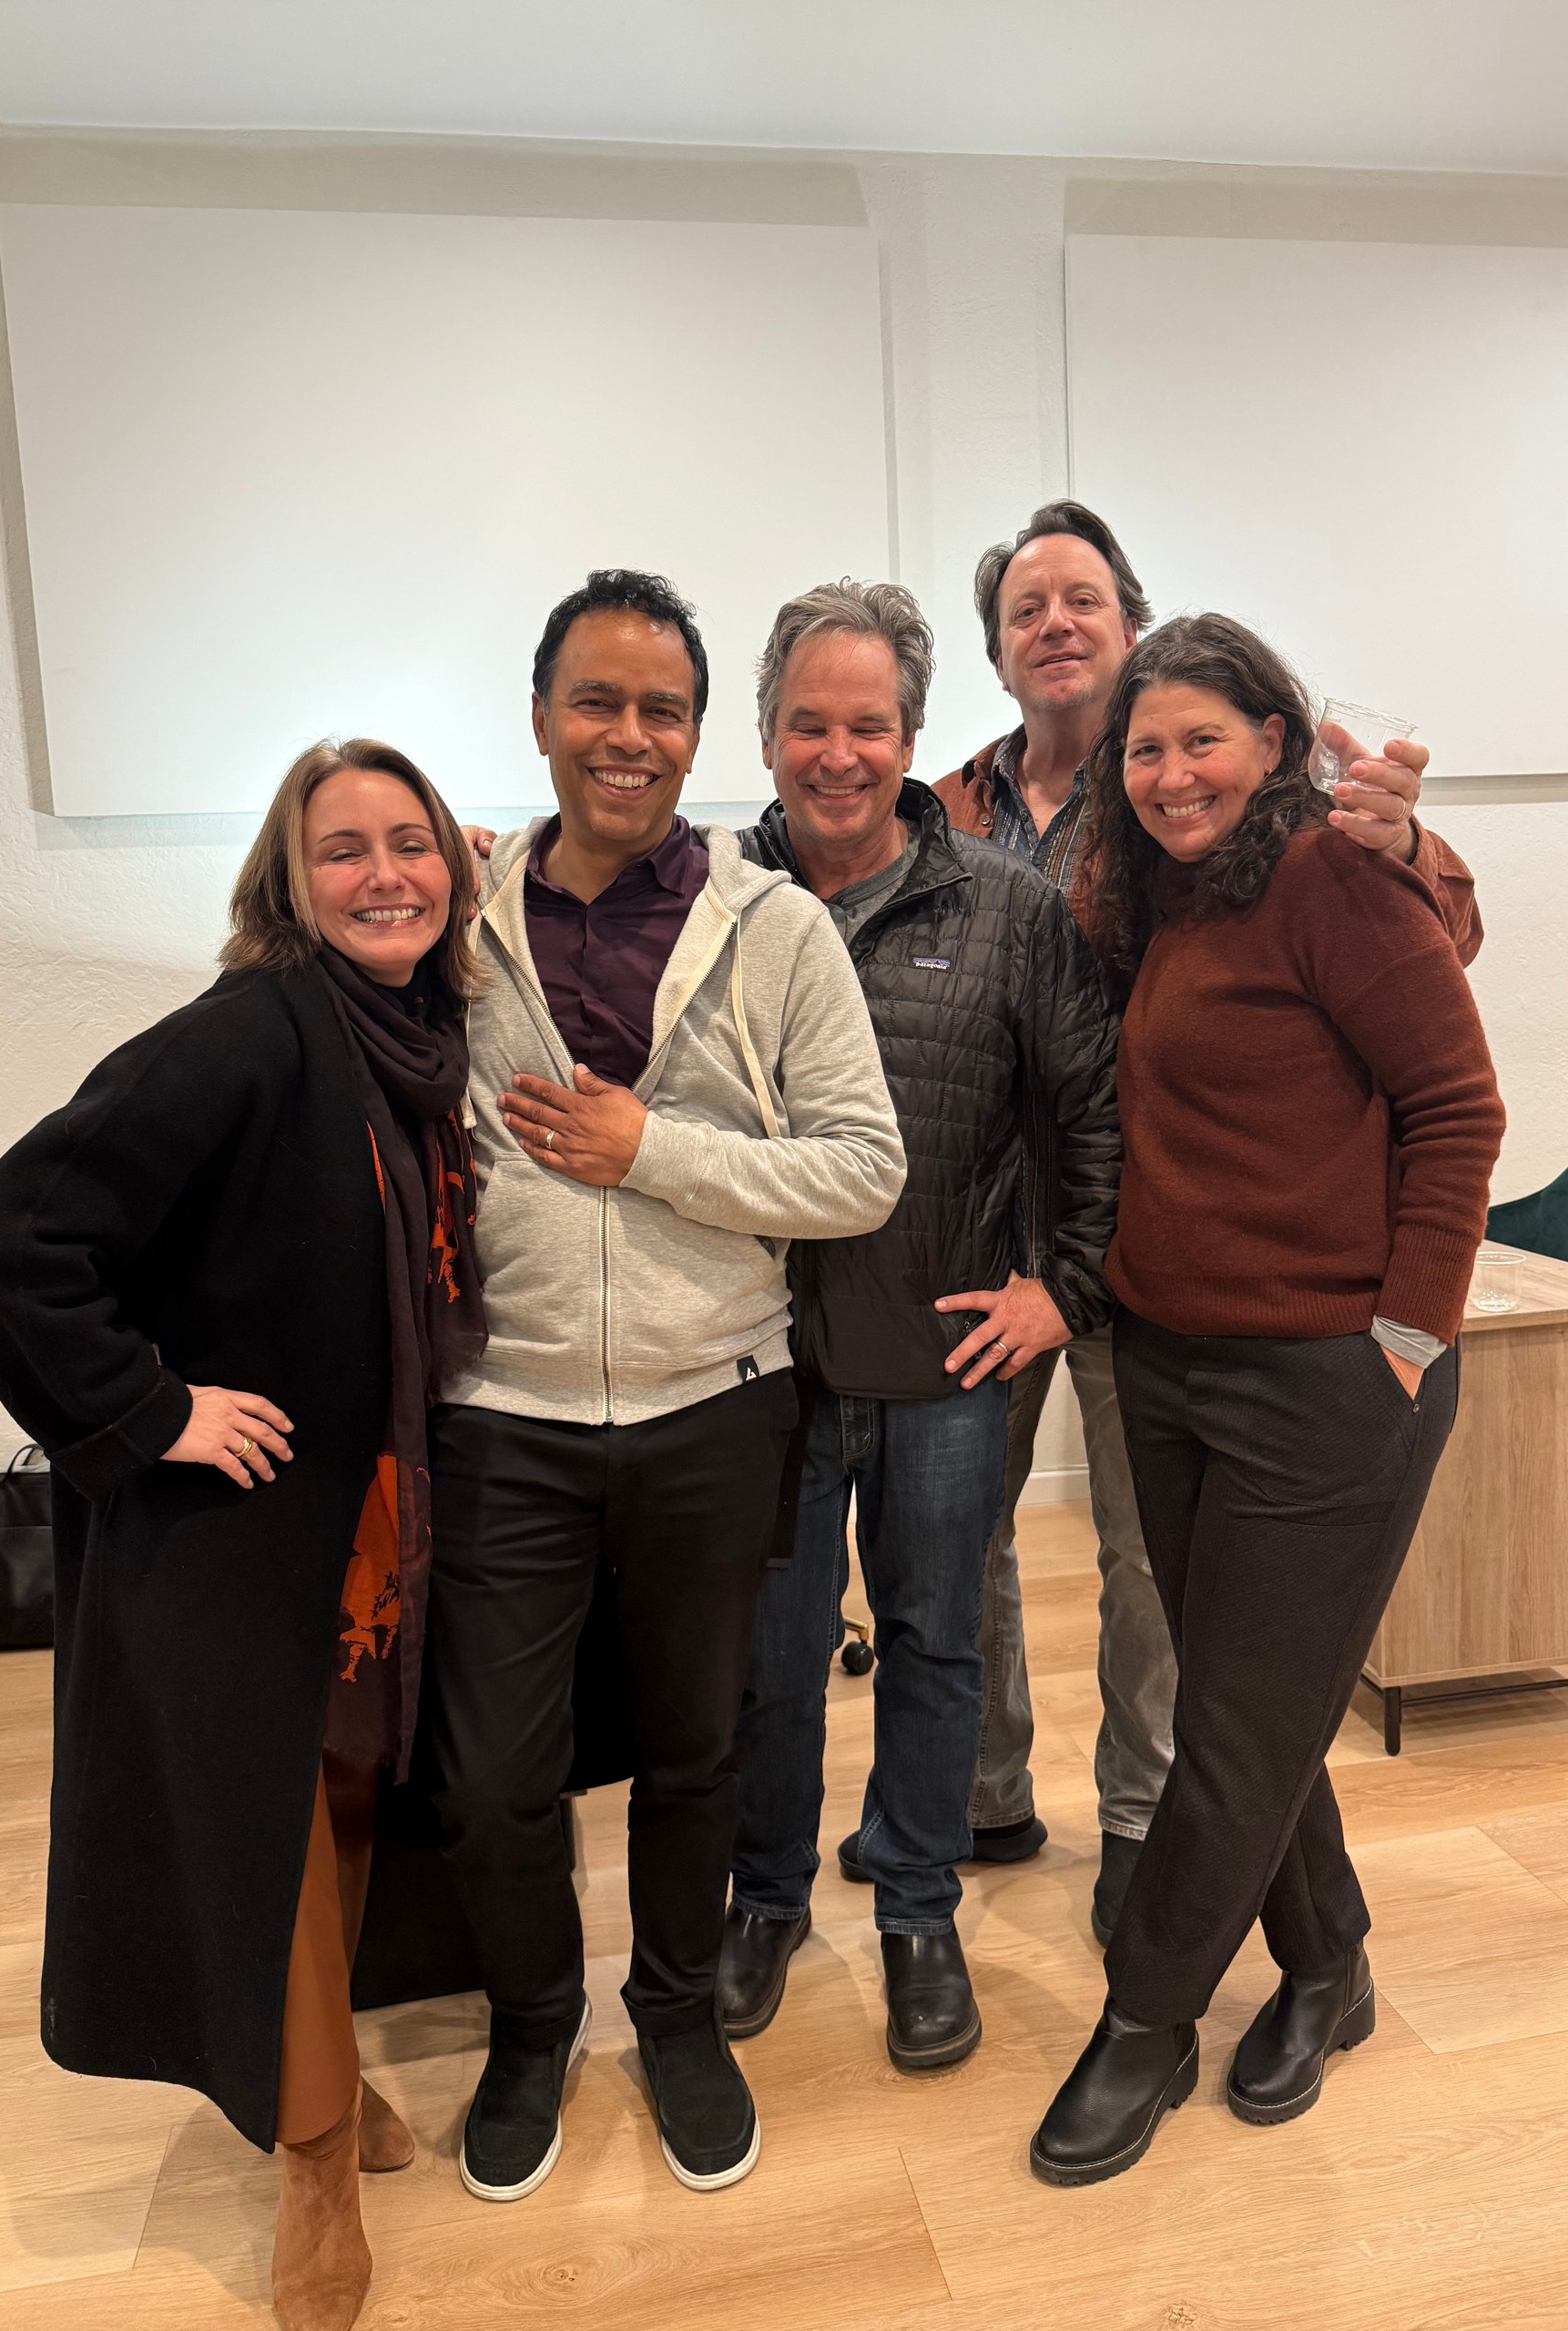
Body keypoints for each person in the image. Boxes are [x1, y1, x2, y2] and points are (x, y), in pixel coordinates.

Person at [0, 738, 489, 2331]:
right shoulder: (250, 1032)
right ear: (288, 881)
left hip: (368, 1514)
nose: (384, 875)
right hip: (240, 1534)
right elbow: (10, 1235)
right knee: (278, 1844)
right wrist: (150, 1406)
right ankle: (312, 2160)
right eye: (344, 850)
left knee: (345, 1812)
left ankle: (309, 2070)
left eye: (411, 843)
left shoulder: (419, 1037)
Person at [934, 500, 1484, 1940]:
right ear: (998, 652)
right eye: (1024, 608)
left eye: (1082, 600)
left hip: (1149, 1246)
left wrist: (1407, 844)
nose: (1055, 624)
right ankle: (978, 1797)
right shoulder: (949, 811)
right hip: (988, 1239)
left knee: (1153, 1569)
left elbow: (1436, 965)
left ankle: (1146, 1820)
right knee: (962, 1538)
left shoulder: (1244, 813)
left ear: (1130, 626)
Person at [427, 568, 904, 2203]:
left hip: (715, 1402)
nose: (628, 736)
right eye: (597, 701)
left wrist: (655, 1151)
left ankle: (678, 2015)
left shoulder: (775, 930)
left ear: (700, 736)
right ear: (539, 718)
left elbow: (862, 1172)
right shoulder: (460, 919)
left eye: (662, 709)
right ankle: (534, 2026)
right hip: (504, 1411)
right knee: (494, 1775)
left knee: (701, 1747)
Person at [1028, 615, 1504, 2186]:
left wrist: (1409, 1338)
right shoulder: (1148, 898)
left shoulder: (1332, 877)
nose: (1172, 775)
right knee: (1259, 1701)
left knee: (1230, 1729)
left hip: (1327, 1379)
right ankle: (1329, 1965)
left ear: (1276, 743)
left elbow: (1459, 1108)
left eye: (1203, 742)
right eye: (1145, 751)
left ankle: (1144, 2020)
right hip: (1169, 1365)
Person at [716, 580, 1119, 2069]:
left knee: (939, 1645)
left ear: (913, 735)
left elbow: (1092, 1118)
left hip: (947, 1362)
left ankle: (918, 1908)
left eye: (869, 725)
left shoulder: (1010, 911)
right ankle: (764, 1901)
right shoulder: (705, 905)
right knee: (766, 1658)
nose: (839, 754)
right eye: (808, 723)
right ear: (766, 733)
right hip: (755, 1366)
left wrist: (1064, 1288)